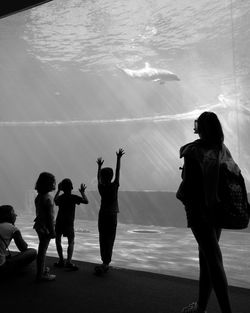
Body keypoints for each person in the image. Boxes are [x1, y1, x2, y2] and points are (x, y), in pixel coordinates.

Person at [176, 112, 233, 313]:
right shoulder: (222, 150)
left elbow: (189, 183)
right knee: (207, 259)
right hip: (217, 210)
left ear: (199, 127)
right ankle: (200, 307)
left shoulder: (194, 151)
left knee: (213, 261)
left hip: (200, 212)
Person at [95, 148, 125, 275]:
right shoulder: (115, 185)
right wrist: (118, 159)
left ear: (102, 177)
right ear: (111, 177)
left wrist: (99, 166)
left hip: (102, 215)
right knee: (110, 238)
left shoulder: (100, 186)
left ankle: (104, 261)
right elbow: (118, 172)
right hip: (112, 215)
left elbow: (98, 178)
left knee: (102, 238)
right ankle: (106, 262)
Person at [54, 178, 89, 270]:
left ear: (62, 188)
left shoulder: (61, 197)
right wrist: (82, 192)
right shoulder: (74, 197)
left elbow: (55, 201)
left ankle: (61, 260)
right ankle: (68, 261)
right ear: (72, 187)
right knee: (71, 241)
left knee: (58, 240)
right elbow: (86, 201)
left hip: (59, 221)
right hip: (69, 222)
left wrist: (58, 190)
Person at [33, 172, 56, 282]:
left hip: (39, 225)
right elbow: (50, 217)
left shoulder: (38, 197)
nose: (53, 184)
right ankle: (40, 275)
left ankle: (41, 271)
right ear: (49, 184)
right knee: (43, 250)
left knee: (42, 248)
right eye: (52, 182)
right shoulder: (48, 198)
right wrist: (52, 231)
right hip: (45, 227)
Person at [0, 205, 37, 274]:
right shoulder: (12, 229)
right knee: (32, 252)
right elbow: (23, 248)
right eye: (13, 213)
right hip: (1, 268)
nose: (15, 215)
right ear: (9, 215)